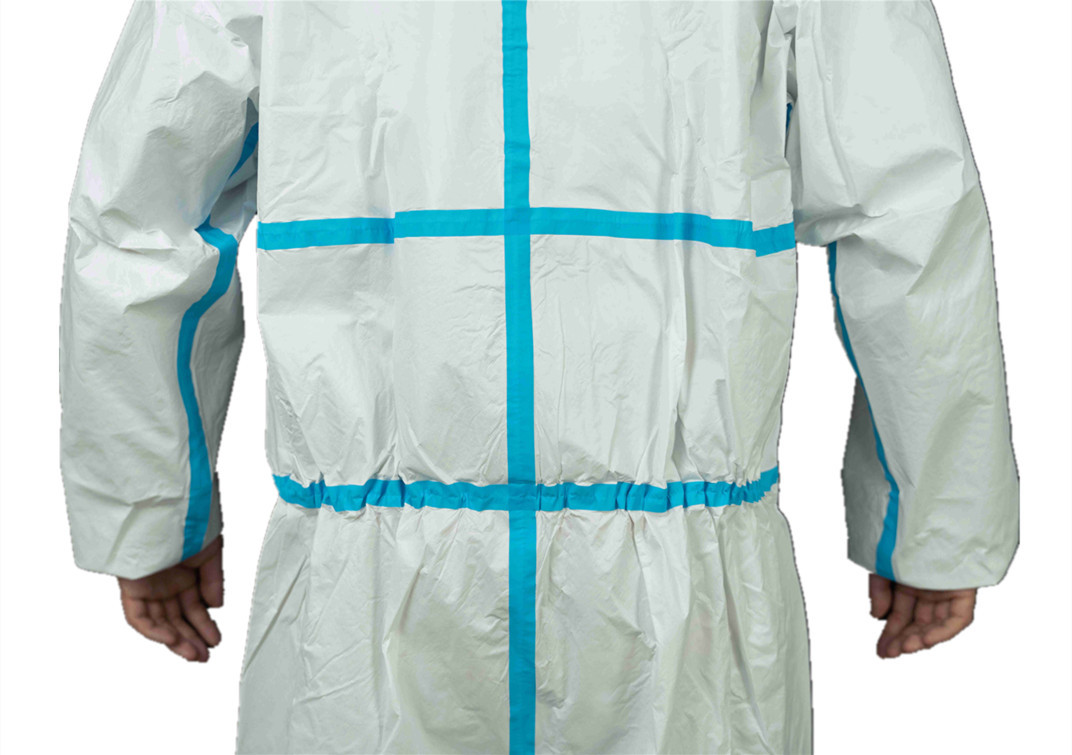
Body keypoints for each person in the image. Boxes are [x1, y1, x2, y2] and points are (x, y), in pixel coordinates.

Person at [58, 1, 1019, 753]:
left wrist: (151, 512)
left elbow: (141, 225)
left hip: (362, 616)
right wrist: (935, 522)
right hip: (684, 618)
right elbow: (909, 217)